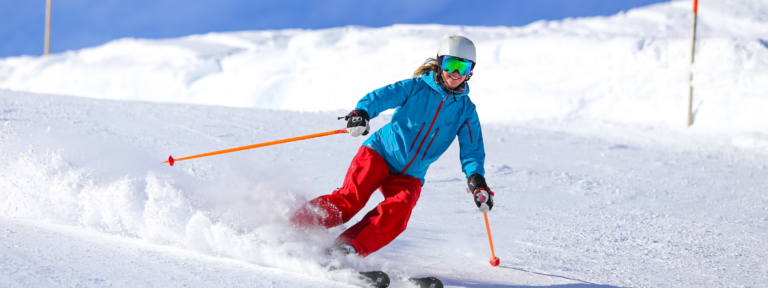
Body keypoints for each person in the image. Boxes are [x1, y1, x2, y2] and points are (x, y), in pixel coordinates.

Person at [290, 35, 494, 257]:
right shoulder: (416, 87)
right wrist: (361, 113)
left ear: (470, 71)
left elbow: (471, 149)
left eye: (462, 67)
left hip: (411, 174)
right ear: (439, 63)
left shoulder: (466, 111)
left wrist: (477, 180)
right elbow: (381, 97)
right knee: (350, 201)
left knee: (399, 211)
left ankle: (345, 250)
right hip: (380, 153)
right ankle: (293, 225)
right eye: (450, 64)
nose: (455, 73)